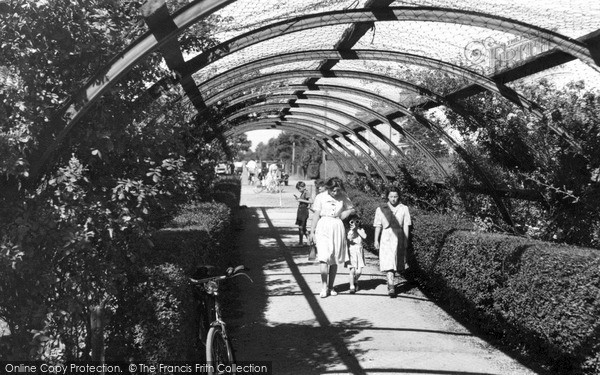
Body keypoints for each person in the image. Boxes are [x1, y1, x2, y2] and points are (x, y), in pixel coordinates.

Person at [310, 177, 356, 298]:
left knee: (334, 258)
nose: (335, 193)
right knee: (324, 257)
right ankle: (324, 286)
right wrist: (312, 232)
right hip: (323, 226)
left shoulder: (343, 196)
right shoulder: (321, 197)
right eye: (333, 190)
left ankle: (331, 286)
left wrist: (348, 212)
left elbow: (352, 208)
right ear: (328, 188)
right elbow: (316, 215)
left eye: (338, 190)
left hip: (337, 227)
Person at [373, 186, 412, 297]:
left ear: (398, 196)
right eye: (391, 196)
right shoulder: (381, 208)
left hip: (398, 236)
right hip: (386, 236)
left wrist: (405, 240)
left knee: (395, 261)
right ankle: (391, 285)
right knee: (388, 260)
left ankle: (391, 281)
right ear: (387, 197)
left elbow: (406, 226)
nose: (393, 199)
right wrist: (376, 240)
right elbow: (378, 225)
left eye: (395, 196)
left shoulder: (404, 208)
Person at [345, 213, 366, 294]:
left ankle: (355, 280)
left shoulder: (360, 230)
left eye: (356, 221)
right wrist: (352, 231)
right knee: (352, 270)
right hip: (351, 252)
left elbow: (364, 236)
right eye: (352, 222)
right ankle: (352, 286)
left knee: (359, 271)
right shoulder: (348, 230)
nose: (354, 223)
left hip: (359, 252)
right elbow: (348, 239)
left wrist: (357, 229)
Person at [294, 181, 312, 246]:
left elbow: (311, 201)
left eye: (300, 188)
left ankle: (301, 242)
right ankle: (309, 240)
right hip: (301, 210)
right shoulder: (303, 193)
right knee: (303, 227)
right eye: (298, 189)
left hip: (304, 211)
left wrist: (301, 200)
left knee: (301, 227)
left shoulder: (306, 192)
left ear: (303, 187)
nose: (299, 190)